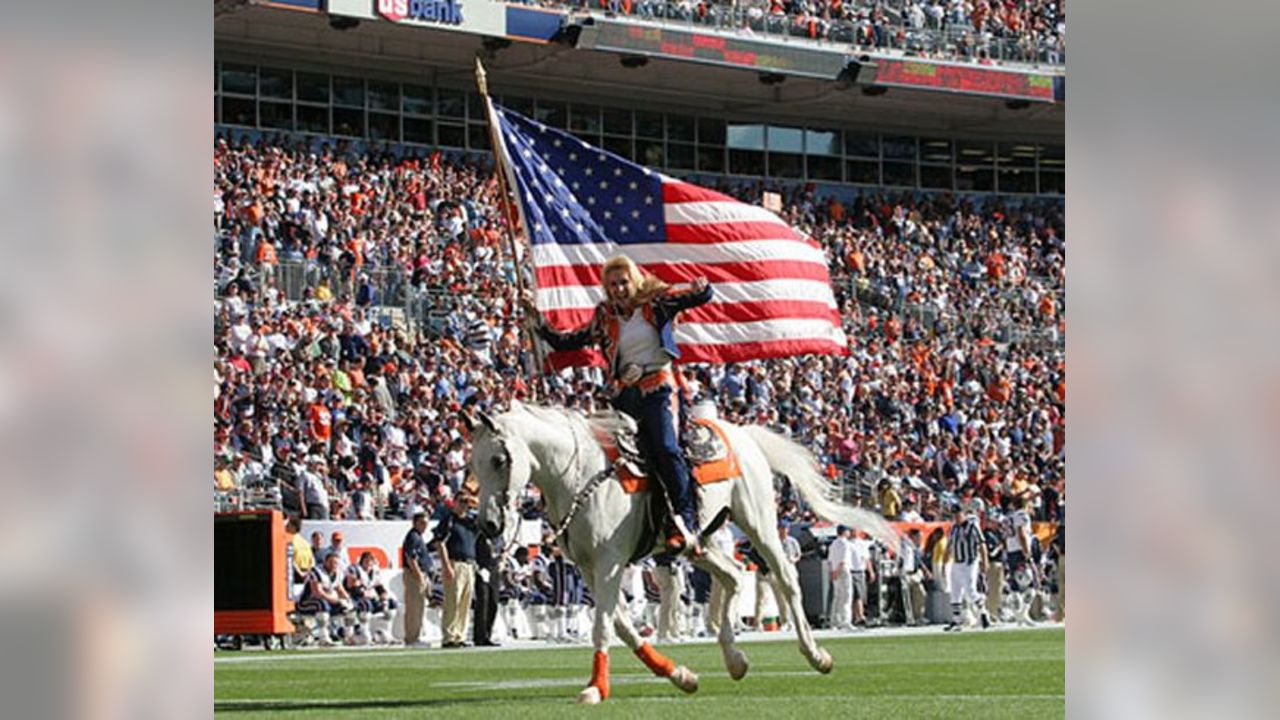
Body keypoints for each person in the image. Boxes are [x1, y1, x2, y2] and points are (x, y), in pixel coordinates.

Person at [524, 255, 713, 554]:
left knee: (665, 446)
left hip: (659, 387)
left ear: (634, 280)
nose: (619, 289)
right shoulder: (605, 316)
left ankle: (686, 520)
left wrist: (703, 289)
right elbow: (569, 341)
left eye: (623, 282)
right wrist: (540, 325)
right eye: (612, 284)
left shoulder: (654, 302)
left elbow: (696, 297)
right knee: (609, 455)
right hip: (625, 392)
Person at [433, 492, 480, 648]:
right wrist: (446, 565)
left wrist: (476, 502)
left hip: (469, 564)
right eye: (461, 501)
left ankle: (460, 634)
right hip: (455, 562)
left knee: (465, 602)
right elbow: (440, 543)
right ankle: (449, 636)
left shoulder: (470, 522)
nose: (464, 505)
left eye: (466, 502)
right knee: (453, 601)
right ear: (454, 502)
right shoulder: (449, 520)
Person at [944, 505, 991, 631]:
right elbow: (949, 545)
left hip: (969, 562)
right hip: (956, 562)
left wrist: (985, 561)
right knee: (955, 592)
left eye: (958, 514)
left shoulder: (972, 526)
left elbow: (982, 544)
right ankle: (957, 620)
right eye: (954, 515)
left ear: (964, 514)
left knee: (970, 592)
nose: (956, 517)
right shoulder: (953, 528)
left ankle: (983, 612)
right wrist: (945, 561)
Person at [401, 511, 433, 647]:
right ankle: (411, 638)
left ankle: (416, 636)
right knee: (414, 607)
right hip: (414, 575)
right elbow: (410, 558)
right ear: (415, 523)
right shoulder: (413, 536)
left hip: (420, 574)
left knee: (419, 607)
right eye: (421, 523)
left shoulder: (418, 537)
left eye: (426, 523)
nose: (424, 526)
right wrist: (419, 575)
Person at [472, 532, 501, 647]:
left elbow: (500, 551)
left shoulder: (498, 537)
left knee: (493, 602)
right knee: (483, 601)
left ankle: (488, 633)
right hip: (482, 568)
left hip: (494, 568)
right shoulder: (479, 536)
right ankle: (480, 636)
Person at [898, 528, 928, 626]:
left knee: (920, 593)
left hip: (914, 573)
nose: (920, 539)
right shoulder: (904, 545)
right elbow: (900, 559)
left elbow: (918, 560)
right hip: (905, 573)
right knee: (907, 598)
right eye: (918, 537)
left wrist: (925, 570)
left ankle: (919, 616)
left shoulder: (915, 547)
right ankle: (910, 619)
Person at [827, 525, 853, 631]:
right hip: (843, 570)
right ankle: (845, 621)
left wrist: (832, 572)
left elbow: (830, 560)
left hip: (834, 570)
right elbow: (843, 560)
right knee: (846, 596)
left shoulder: (833, 543)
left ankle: (834, 621)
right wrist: (837, 571)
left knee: (837, 597)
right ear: (844, 532)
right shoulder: (845, 544)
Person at [849, 531, 876, 627]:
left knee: (861, 594)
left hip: (861, 570)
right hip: (851, 571)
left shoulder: (861, 543)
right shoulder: (847, 543)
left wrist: (871, 571)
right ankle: (860, 616)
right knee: (857, 595)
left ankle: (857, 616)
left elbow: (866, 558)